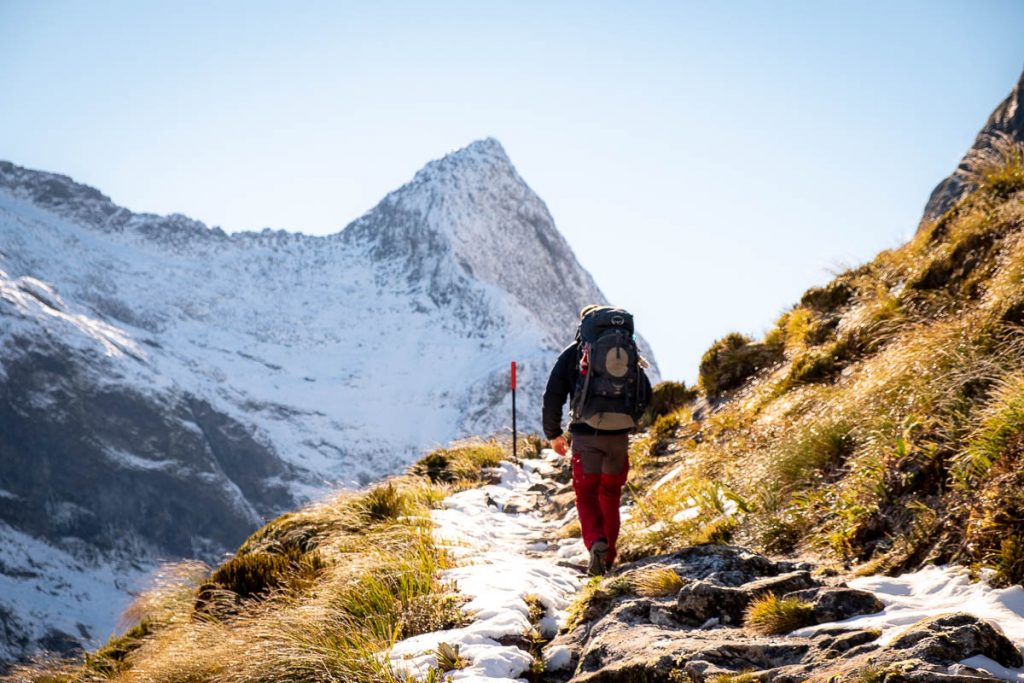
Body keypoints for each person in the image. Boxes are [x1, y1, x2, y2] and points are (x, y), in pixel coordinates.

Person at [542, 304, 651, 576]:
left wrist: (554, 434)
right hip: (619, 437)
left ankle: (596, 545)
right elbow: (646, 391)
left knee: (586, 494)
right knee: (611, 496)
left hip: (586, 435)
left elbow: (553, 394)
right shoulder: (628, 352)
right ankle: (609, 558)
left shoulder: (574, 353)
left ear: (585, 325)